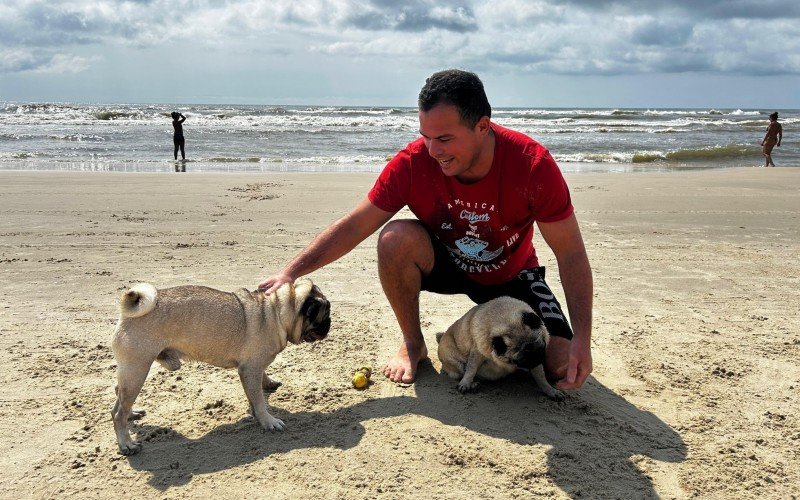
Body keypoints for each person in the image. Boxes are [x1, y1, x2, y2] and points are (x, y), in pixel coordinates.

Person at [258, 69, 593, 391]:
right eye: (426, 137)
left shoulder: (532, 165)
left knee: (560, 368)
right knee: (394, 239)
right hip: (448, 265)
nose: (433, 151)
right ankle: (414, 343)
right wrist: (291, 273)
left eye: (445, 138)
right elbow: (355, 226)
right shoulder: (413, 163)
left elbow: (571, 253)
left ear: (482, 126)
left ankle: (482, 325)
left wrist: (582, 339)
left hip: (513, 275)